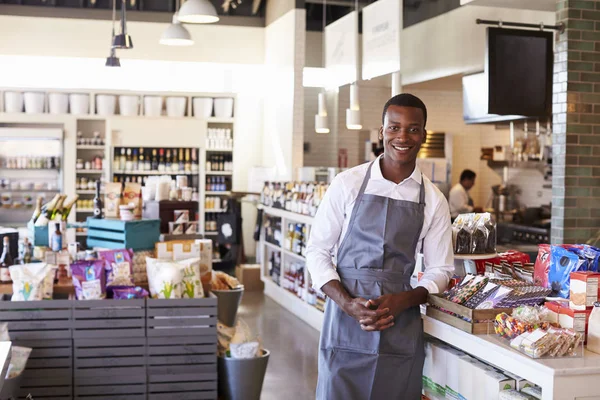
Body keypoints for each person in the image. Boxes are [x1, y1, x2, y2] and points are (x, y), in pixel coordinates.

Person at [306, 93, 454, 400]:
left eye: (413, 129)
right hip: (345, 318)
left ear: (423, 135)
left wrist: (404, 300)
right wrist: (347, 303)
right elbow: (317, 251)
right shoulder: (347, 184)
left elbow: (440, 269)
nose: (403, 136)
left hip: (400, 322)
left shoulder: (433, 199)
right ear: (381, 131)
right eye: (394, 127)